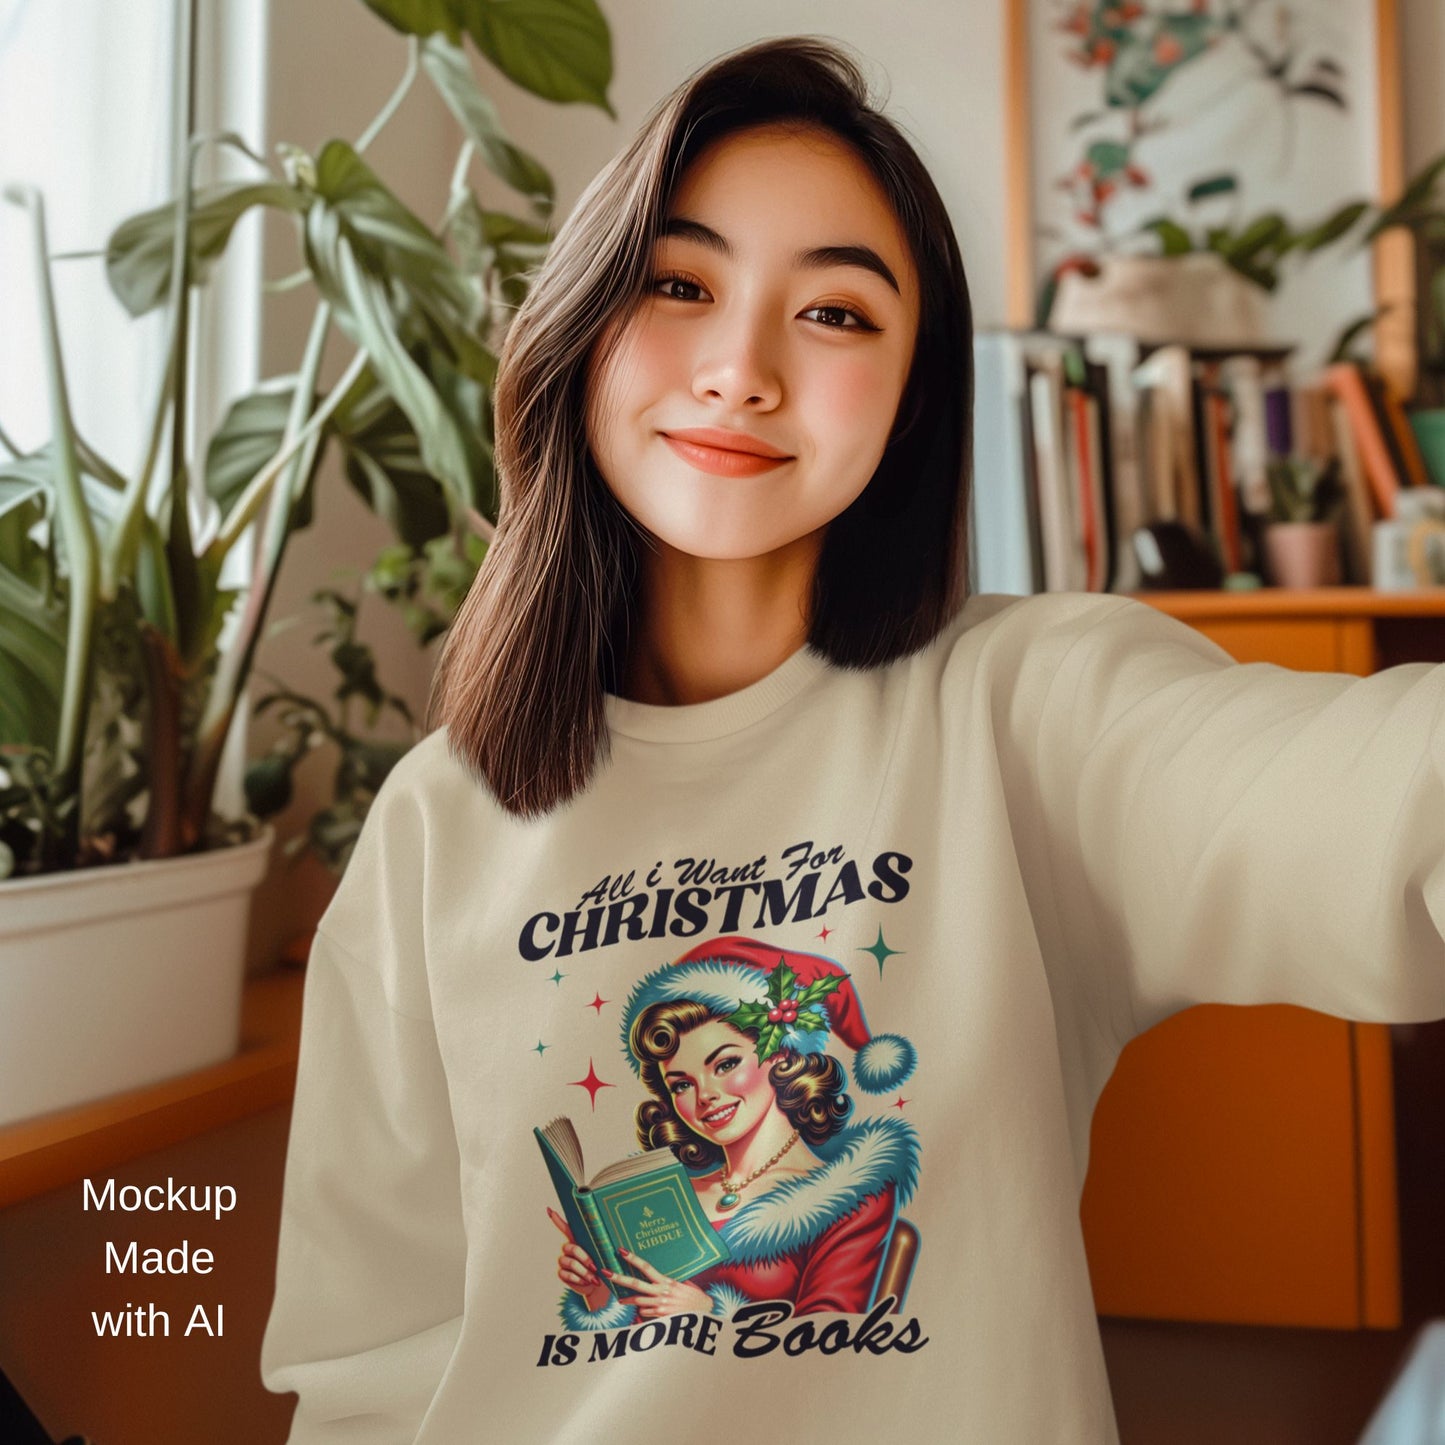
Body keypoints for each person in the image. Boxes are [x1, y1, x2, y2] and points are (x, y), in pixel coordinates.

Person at [260, 34, 1445, 1445]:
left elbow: (1388, 800)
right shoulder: (434, 819)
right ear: (583, 322)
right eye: (680, 284)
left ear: (912, 396)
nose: (742, 369)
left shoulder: (1024, 714)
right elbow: (370, 1369)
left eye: (835, 315)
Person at [549, 936, 921, 1326]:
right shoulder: (665, 1194)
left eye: (725, 1064)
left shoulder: (851, 1194)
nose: (706, 1095)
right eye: (681, 1084)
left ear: (780, 1056)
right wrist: (597, 1290)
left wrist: (710, 1317)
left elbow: (828, 1344)